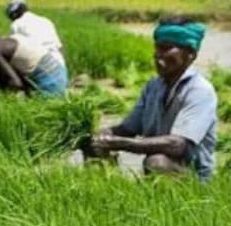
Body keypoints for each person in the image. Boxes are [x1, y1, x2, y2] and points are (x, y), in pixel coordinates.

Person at [89, 17, 217, 181]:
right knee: (94, 144)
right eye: (157, 48)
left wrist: (117, 143)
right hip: (163, 164)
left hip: (193, 175)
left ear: (191, 54)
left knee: (156, 162)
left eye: (167, 49)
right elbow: (128, 129)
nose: (158, 55)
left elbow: (177, 145)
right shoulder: (154, 86)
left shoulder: (199, 91)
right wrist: (102, 135)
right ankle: (106, 184)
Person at [0, 18, 67, 97]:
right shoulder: (8, 41)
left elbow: (16, 83)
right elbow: (2, 75)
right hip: (60, 76)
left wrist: (0, 95)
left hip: (50, 86)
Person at [5, 0, 68, 92]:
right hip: (60, 66)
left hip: (40, 65)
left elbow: (12, 50)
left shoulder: (16, 24)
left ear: (14, 14)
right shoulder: (46, 20)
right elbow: (60, 48)